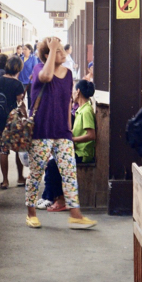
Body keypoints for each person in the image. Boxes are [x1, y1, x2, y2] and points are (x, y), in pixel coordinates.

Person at [25, 37, 97, 230]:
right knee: (36, 172)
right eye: (57, 51)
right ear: (47, 55)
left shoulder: (68, 74)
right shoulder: (39, 69)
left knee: (70, 173)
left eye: (61, 49)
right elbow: (47, 78)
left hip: (61, 132)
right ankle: (31, 212)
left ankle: (76, 214)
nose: (62, 52)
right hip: (41, 130)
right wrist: (51, 47)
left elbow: (67, 103)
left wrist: (68, 128)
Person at [41, 80, 97, 212]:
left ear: (78, 92)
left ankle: (61, 200)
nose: (71, 94)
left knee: (54, 165)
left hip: (83, 154)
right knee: (51, 160)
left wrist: (72, 139)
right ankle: (51, 196)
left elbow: (91, 135)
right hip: (77, 150)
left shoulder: (86, 111)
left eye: (73, 91)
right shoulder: (81, 109)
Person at [0, 55, 26, 189]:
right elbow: (20, 103)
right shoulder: (18, 84)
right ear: (18, 69)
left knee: (3, 151)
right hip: (13, 122)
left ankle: (5, 181)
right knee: (17, 149)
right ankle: (20, 178)